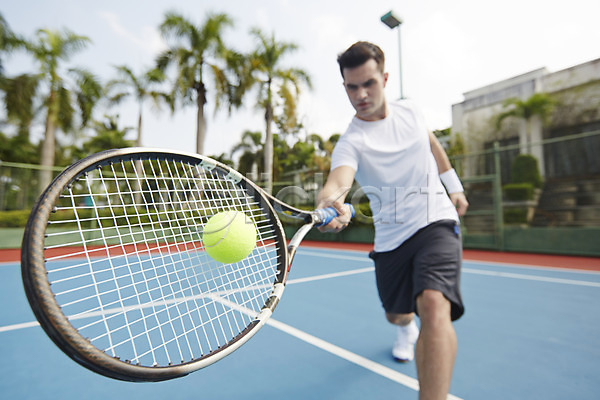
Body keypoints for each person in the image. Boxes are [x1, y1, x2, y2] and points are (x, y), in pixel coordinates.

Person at [316, 41, 469, 400]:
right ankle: (404, 328)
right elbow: (338, 182)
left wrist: (454, 188)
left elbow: (433, 145)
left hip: (436, 222)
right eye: (352, 87)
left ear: (384, 78)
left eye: (368, 83)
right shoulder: (351, 142)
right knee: (398, 315)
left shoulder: (412, 111)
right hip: (391, 240)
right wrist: (329, 201)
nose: (361, 94)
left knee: (433, 303)